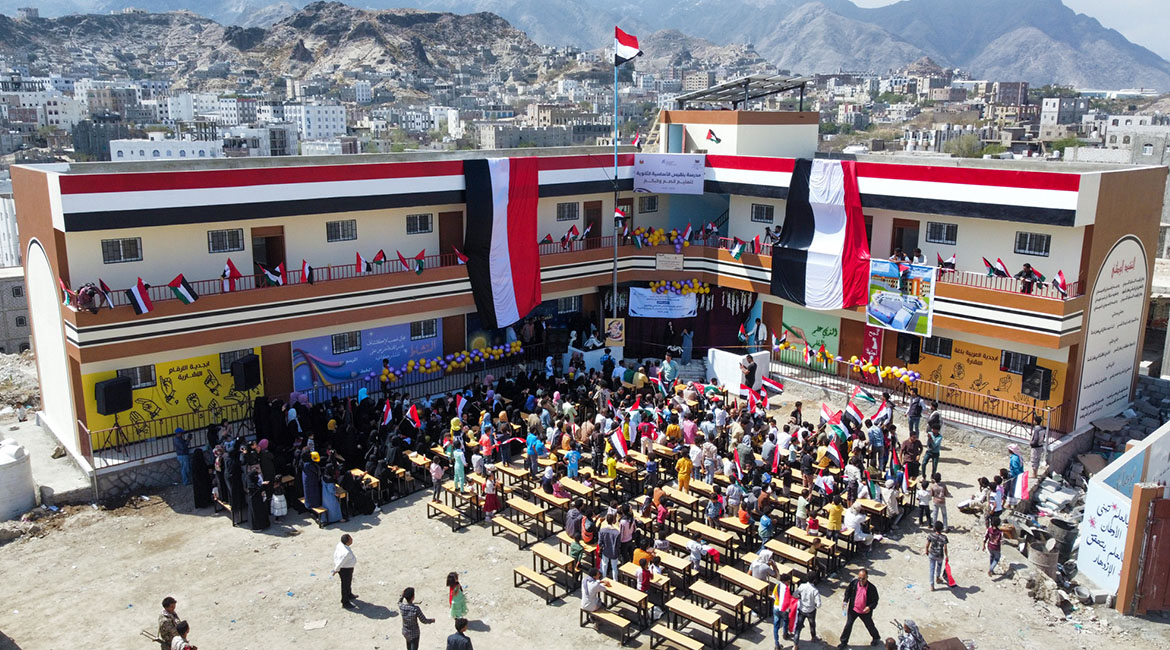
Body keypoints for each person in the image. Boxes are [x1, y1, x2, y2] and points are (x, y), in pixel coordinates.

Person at [839, 569, 882, 648]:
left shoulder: (871, 588)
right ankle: (843, 642)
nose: (861, 580)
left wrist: (869, 607)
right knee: (848, 625)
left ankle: (876, 637)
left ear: (867, 578)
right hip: (853, 610)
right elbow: (847, 592)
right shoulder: (854, 583)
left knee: (869, 625)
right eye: (859, 578)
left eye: (863, 579)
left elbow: (875, 601)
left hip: (865, 612)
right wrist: (845, 601)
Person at [792, 578, 822, 648]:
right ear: (814, 580)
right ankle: (813, 637)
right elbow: (819, 604)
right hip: (811, 611)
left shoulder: (802, 586)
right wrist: (814, 605)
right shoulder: (815, 590)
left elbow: (794, 594)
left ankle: (795, 645)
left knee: (798, 628)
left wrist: (799, 597)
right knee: (812, 625)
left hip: (802, 609)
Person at [332, 534, 358, 608]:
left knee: (348, 582)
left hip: (346, 568)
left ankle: (349, 594)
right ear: (347, 542)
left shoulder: (340, 545)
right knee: (345, 584)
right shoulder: (346, 553)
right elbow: (341, 561)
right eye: (350, 539)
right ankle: (345, 602)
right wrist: (336, 569)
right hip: (345, 569)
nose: (352, 540)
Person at [925, 520, 949, 591]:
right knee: (939, 567)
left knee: (931, 569)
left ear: (934, 528)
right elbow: (945, 548)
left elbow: (927, 544)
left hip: (932, 554)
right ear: (942, 529)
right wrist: (947, 555)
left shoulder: (931, 535)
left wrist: (926, 550)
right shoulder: (944, 537)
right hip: (940, 555)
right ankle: (938, 578)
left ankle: (932, 585)